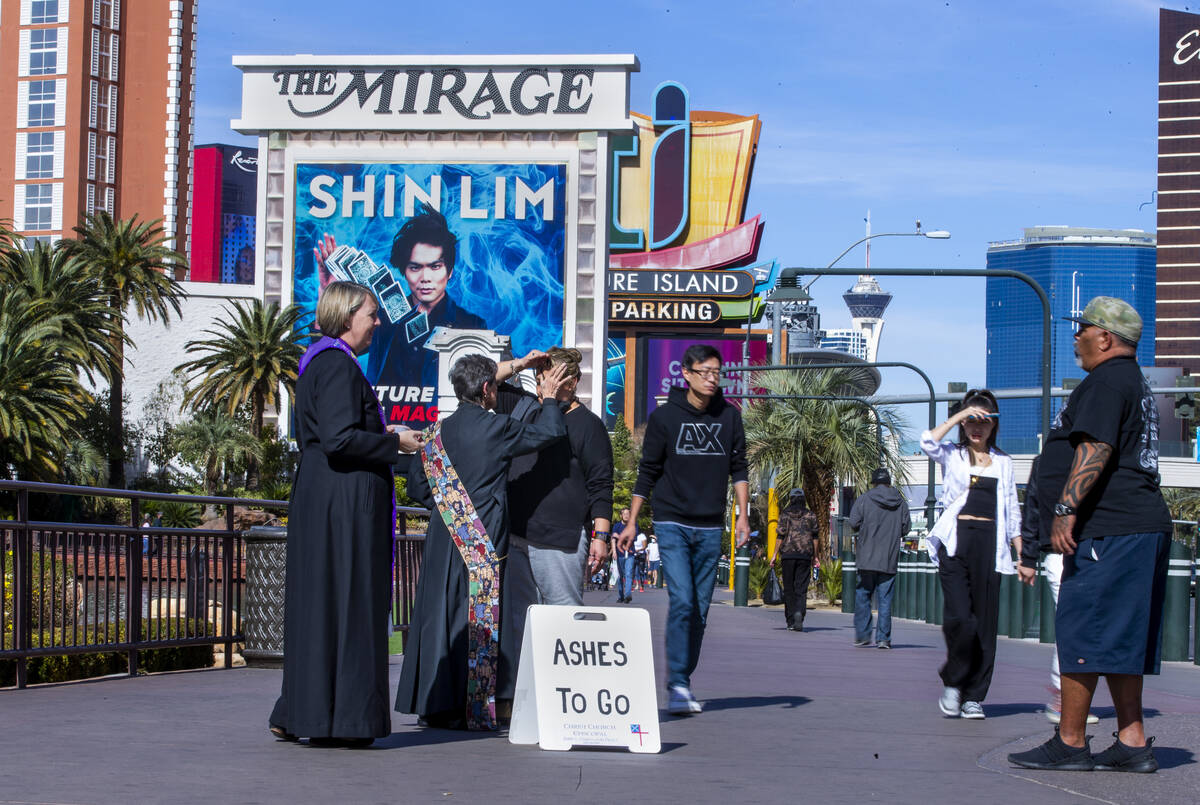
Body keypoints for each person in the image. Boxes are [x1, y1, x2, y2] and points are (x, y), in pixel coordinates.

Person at [1009, 297, 1172, 773]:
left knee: (1082, 632)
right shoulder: (1130, 383)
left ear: (1106, 337)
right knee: (1119, 638)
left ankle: (1071, 741)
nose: (1075, 336)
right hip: (1134, 526)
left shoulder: (1106, 381)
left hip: (1111, 528)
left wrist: (1064, 509)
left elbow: (1097, 448)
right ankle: (1132, 741)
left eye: (1082, 329)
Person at [269, 281, 423, 748]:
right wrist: (394, 442)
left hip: (326, 500)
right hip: (342, 509)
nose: (378, 323)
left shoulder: (322, 360)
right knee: (349, 605)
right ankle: (343, 719)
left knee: (324, 608)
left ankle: (308, 712)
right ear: (348, 315)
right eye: (372, 314)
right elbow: (338, 439)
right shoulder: (337, 365)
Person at [395, 354, 569, 730]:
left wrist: (449, 508)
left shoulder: (436, 431)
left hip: (445, 536)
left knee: (442, 615)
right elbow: (551, 433)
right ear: (488, 389)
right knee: (479, 618)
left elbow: (416, 486)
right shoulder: (498, 428)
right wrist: (551, 398)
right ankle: (475, 705)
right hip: (483, 536)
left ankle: (435, 704)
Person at [618, 344, 749, 716]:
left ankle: (683, 679)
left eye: (716, 373)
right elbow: (648, 472)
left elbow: (739, 469)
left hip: (710, 525)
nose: (711, 379)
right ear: (687, 374)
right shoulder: (664, 418)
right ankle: (677, 682)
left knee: (701, 612)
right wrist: (631, 522)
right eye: (704, 372)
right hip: (671, 521)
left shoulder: (729, 416)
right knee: (684, 602)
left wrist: (743, 516)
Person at [921, 389, 1020, 720]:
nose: (977, 428)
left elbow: (1012, 510)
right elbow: (928, 442)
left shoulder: (1004, 462)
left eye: (984, 422)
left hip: (990, 546)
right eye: (972, 422)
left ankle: (974, 696)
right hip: (955, 542)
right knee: (961, 618)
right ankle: (953, 683)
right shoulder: (953, 454)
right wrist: (961, 414)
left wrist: (1023, 556)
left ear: (994, 425)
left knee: (985, 626)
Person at [506, 347, 613, 608]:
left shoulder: (589, 425)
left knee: (562, 621)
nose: (544, 386)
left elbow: (600, 484)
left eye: (552, 378)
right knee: (519, 626)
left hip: (559, 540)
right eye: (541, 378)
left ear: (572, 382)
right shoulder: (527, 408)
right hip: (516, 536)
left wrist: (601, 537)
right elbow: (485, 382)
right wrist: (521, 363)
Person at [1016, 456, 1100, 726]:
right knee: (1072, 623)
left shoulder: (1096, 456)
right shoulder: (1046, 461)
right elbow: (1032, 507)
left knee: (1083, 625)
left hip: (1092, 551)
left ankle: (1071, 696)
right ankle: (1061, 697)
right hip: (1059, 553)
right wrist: (1028, 558)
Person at [848, 468, 911, 649]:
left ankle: (862, 635)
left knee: (863, 595)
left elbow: (853, 523)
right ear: (889, 482)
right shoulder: (900, 502)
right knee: (885, 599)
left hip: (867, 557)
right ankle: (883, 638)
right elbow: (906, 528)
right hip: (889, 558)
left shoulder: (865, 499)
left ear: (874, 482)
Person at [769, 489, 818, 632]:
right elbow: (815, 537)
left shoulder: (785, 514)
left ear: (791, 499)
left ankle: (790, 620)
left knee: (789, 588)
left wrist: (774, 555)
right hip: (804, 555)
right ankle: (799, 614)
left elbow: (780, 536)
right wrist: (815, 556)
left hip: (788, 555)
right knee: (801, 589)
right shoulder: (810, 515)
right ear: (803, 499)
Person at [612, 507, 637, 603]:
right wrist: (614, 551)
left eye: (628, 513)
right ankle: (621, 596)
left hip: (630, 554)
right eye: (624, 513)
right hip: (619, 554)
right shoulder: (617, 526)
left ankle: (627, 596)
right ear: (621, 515)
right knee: (621, 576)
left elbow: (631, 538)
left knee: (628, 574)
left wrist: (619, 537)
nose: (626, 515)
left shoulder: (634, 525)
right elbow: (613, 539)